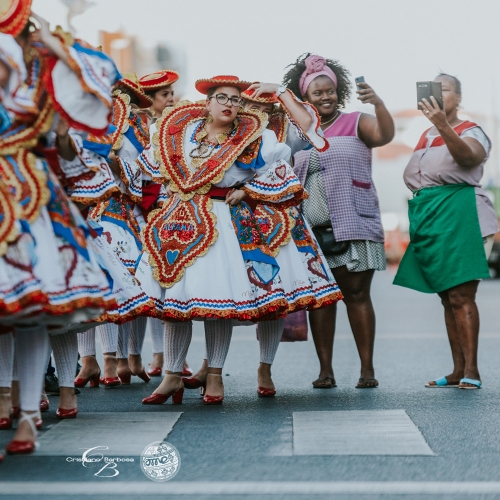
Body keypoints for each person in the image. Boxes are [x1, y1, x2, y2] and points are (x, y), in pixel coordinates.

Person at [135, 75, 319, 405]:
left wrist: (246, 190)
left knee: (216, 302)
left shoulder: (256, 137)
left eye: (236, 100)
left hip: (220, 220)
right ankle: (171, 376)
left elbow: (291, 151)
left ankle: (216, 375)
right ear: (207, 102)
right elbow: (153, 168)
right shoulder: (182, 130)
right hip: (178, 221)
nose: (231, 105)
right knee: (176, 303)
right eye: (223, 98)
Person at [0, 1, 119, 457]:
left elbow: (99, 77)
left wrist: (51, 37)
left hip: (28, 198)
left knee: (31, 310)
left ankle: (28, 410)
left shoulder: (37, 85)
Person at [183, 83, 342, 397]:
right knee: (229, 294)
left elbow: (308, 126)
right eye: (252, 106)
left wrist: (281, 90)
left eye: (266, 108)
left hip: (280, 222)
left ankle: (264, 367)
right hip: (240, 221)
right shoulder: (234, 132)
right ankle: (209, 366)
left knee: (275, 297)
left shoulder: (285, 133)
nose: (259, 113)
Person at [288, 54, 394, 389]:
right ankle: (326, 371)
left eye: (329, 90)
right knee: (322, 298)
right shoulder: (298, 132)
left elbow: (384, 135)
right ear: (306, 98)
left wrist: (378, 103)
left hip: (355, 224)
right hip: (310, 230)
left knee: (357, 294)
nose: (325, 96)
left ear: (339, 91)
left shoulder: (357, 121)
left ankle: (367, 370)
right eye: (317, 92)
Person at [394, 74, 497, 390]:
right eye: (434, 88)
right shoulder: (425, 134)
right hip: (432, 217)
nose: (439, 94)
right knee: (446, 297)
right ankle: (457, 369)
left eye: (446, 89)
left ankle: (473, 370)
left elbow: (469, 158)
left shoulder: (470, 130)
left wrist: (442, 124)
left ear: (459, 98)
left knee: (461, 294)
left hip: (462, 214)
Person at [58, 76, 154, 388]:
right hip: (83, 204)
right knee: (89, 284)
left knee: (126, 282)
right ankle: (90, 360)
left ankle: (122, 357)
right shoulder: (79, 119)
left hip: (122, 208)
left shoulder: (136, 127)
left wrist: (116, 168)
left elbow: (141, 168)